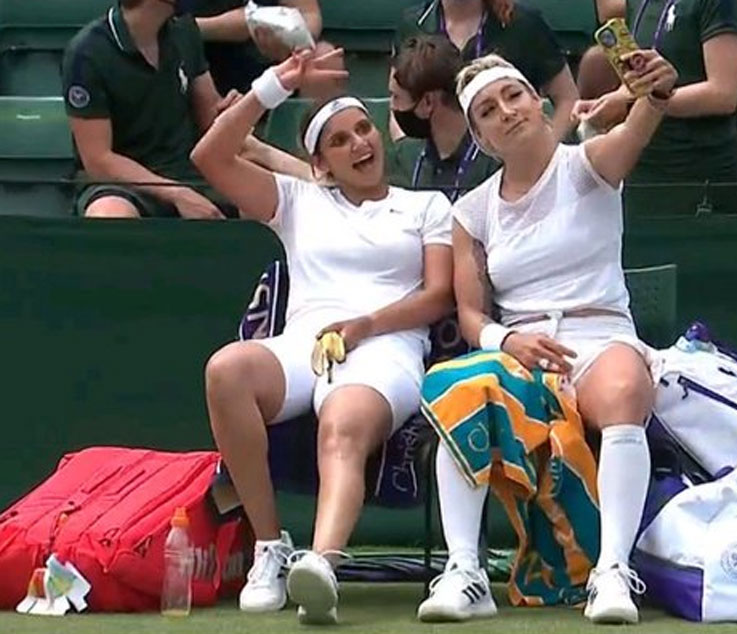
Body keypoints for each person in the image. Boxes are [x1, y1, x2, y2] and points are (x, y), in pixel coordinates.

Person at [191, 50, 455, 622]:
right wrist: (274, 85)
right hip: (303, 347)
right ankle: (270, 547)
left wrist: (365, 326)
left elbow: (439, 296)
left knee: (342, 424)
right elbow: (208, 156)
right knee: (225, 371)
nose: (360, 143)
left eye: (364, 129)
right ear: (320, 164)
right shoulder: (296, 201)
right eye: (340, 141)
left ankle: (322, 565)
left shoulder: (426, 206)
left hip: (387, 348)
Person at [417, 51, 677, 624]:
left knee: (624, 389)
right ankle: (465, 573)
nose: (505, 112)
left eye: (513, 96)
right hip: (520, 353)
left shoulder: (589, 164)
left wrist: (656, 95)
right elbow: (469, 313)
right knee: (457, 392)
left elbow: (637, 128)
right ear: (481, 138)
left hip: (600, 336)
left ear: (538, 102)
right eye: (488, 110)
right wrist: (507, 342)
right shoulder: (471, 212)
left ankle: (612, 572)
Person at [62, 0, 303, 219]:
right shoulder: (88, 52)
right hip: (123, 184)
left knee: (261, 201)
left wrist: (232, 111)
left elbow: (209, 118)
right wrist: (177, 193)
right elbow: (99, 160)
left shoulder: (184, 32)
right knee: (110, 214)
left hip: (190, 173)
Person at [575, 0, 737, 215]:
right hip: (642, 168)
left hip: (696, 174)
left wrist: (645, 102)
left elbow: (723, 94)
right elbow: (637, 82)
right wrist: (609, 101)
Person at [396, 0, 579, 140]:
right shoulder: (413, 25)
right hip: (439, 161)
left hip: (514, 156)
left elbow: (568, 99)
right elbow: (398, 101)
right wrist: (406, 153)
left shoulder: (524, 23)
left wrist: (545, 150)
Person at [389, 34, 499, 199]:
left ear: (427, 102)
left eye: (396, 97)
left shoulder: (495, 158)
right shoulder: (403, 158)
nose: (392, 106)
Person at [186, 0, 339, 97]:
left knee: (324, 57)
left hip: (268, 66)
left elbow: (309, 13)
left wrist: (294, 38)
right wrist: (191, 30)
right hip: (194, 62)